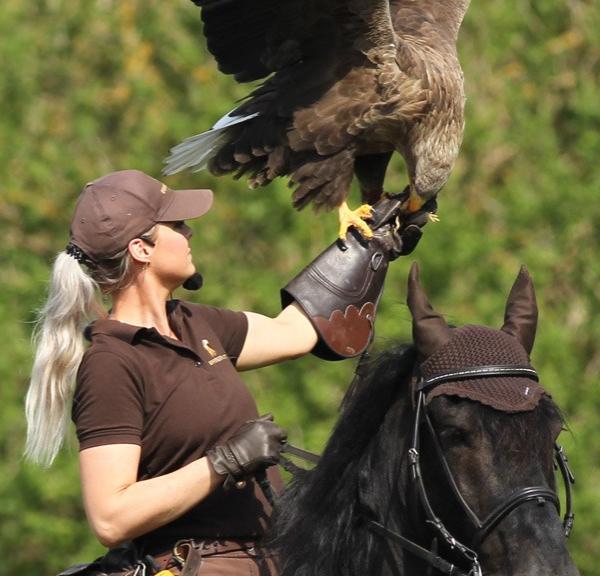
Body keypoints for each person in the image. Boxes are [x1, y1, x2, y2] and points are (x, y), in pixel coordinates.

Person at [24, 169, 424, 576]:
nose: (190, 233)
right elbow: (110, 517)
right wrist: (225, 462)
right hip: (195, 563)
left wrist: (368, 248)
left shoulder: (195, 322)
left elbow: (294, 332)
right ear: (142, 249)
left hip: (275, 555)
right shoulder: (112, 362)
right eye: (177, 225)